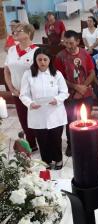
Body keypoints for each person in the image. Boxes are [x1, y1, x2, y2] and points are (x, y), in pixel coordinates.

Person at [19, 48, 68, 170]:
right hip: (37, 112)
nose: (42, 62)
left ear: (49, 60)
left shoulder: (57, 74)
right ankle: (45, 161)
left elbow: (64, 92)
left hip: (55, 112)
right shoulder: (28, 74)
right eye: (39, 59)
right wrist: (30, 103)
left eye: (45, 59)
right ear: (35, 60)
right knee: (42, 140)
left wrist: (56, 100)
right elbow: (23, 94)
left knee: (56, 138)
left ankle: (58, 159)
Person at [54, 30, 95, 157]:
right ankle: (71, 145)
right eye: (66, 43)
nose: (69, 46)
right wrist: (76, 87)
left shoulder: (85, 54)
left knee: (86, 118)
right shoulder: (60, 56)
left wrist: (83, 87)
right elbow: (59, 77)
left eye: (71, 43)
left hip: (86, 93)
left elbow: (92, 72)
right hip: (69, 94)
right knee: (71, 120)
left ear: (77, 41)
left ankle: (87, 142)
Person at [4, 23, 38, 152]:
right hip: (16, 92)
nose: (15, 33)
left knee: (36, 119)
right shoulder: (12, 49)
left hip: (32, 93)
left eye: (19, 31)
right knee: (23, 119)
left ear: (28, 33)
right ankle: (31, 144)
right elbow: (7, 70)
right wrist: (11, 89)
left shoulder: (36, 51)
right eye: (14, 31)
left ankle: (42, 141)